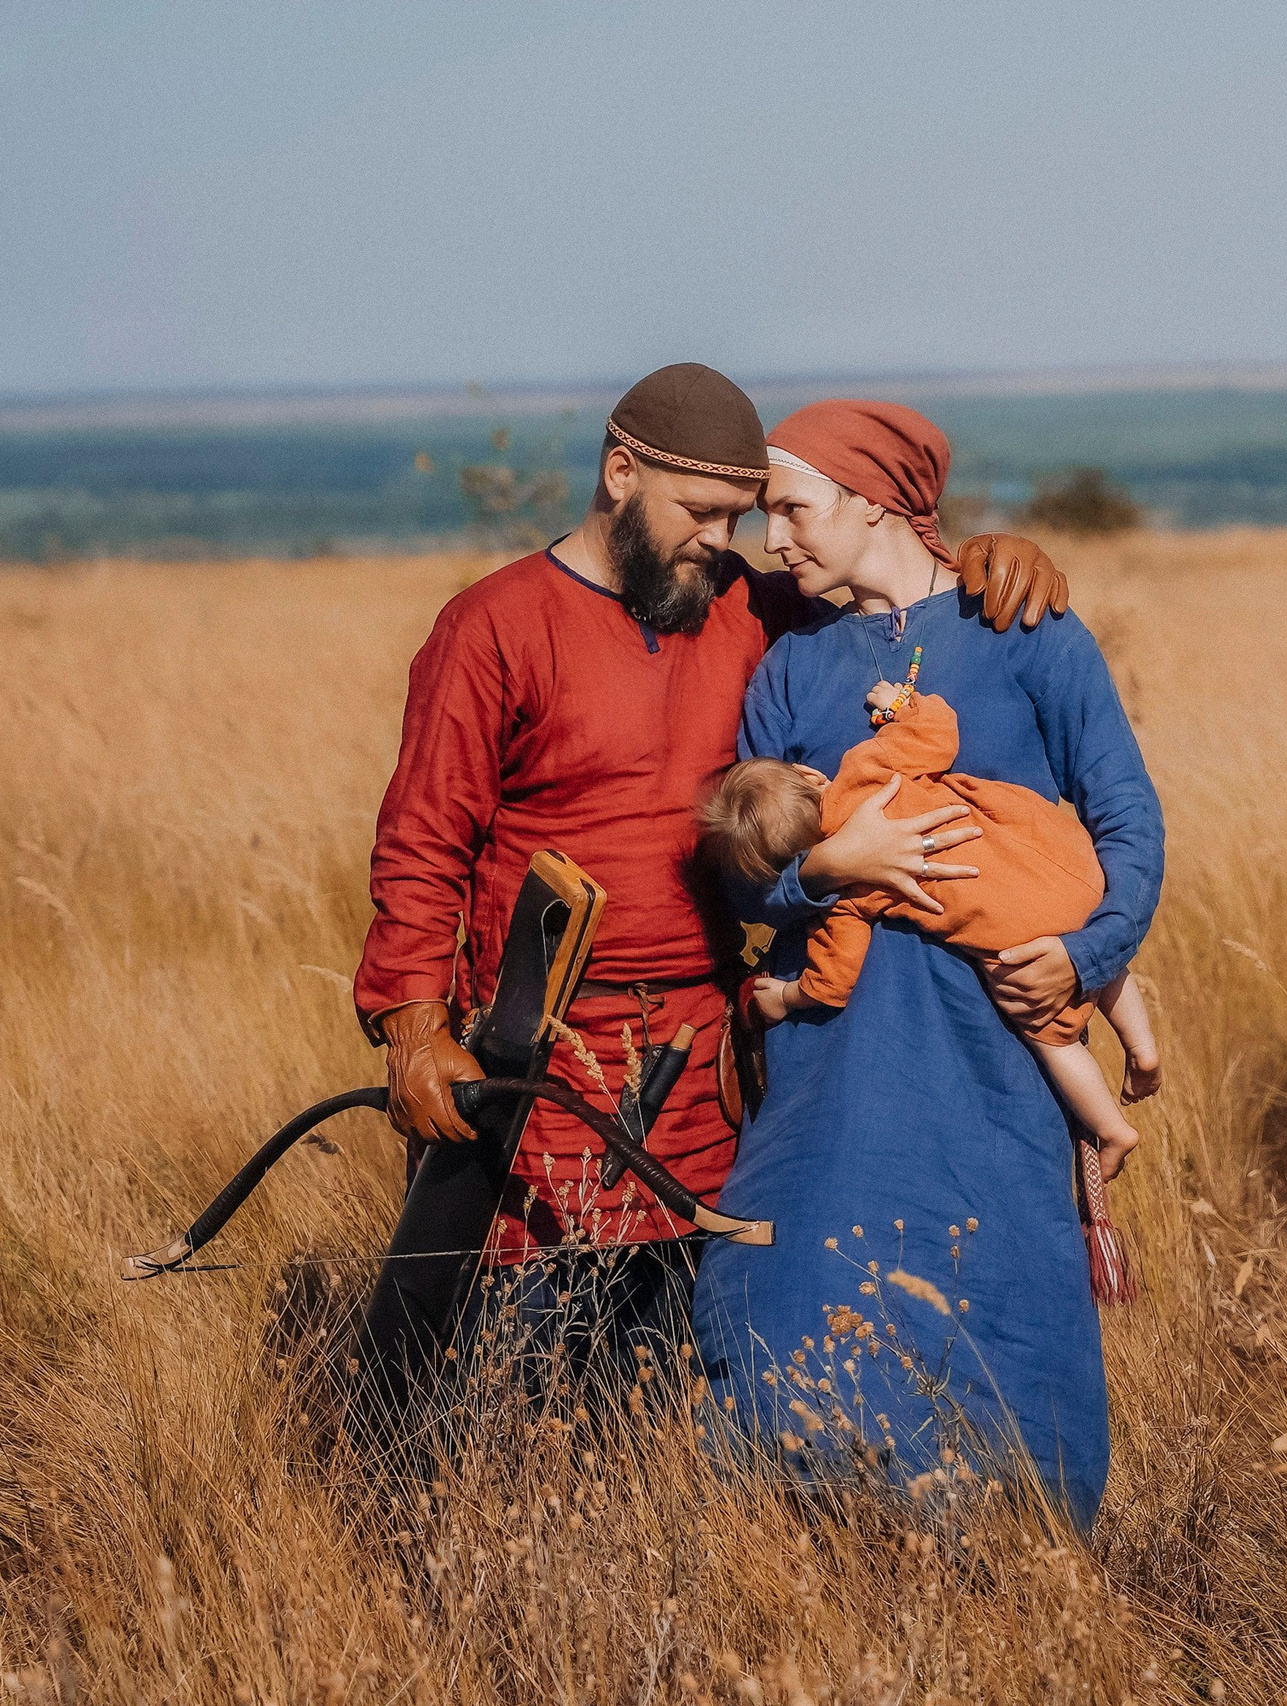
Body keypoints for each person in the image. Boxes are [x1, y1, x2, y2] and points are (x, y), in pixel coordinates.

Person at [352, 363, 1071, 1395]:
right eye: (699, 512)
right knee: (507, 1376)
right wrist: (414, 1023)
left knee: (667, 1377)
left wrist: (986, 560)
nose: (721, 541)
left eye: (740, 516)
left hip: (706, 1056)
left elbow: (887, 590)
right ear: (618, 473)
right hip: (535, 1062)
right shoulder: (491, 627)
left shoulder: (741, 606)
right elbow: (423, 841)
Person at [690, 399, 1164, 1530]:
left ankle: (1019, 1561)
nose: (775, 541)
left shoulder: (1031, 631)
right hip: (830, 1067)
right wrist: (825, 870)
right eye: (765, 516)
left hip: (996, 1061)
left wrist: (1082, 957)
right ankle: (801, 1567)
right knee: (792, 1301)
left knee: (996, 1304)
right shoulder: (791, 665)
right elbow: (740, 870)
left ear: (874, 498)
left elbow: (1128, 824)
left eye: (794, 509)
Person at [699, 688, 1160, 1180]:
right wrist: (901, 705)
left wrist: (788, 998)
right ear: (811, 777)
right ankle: (1143, 1046)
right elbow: (940, 729)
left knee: (1050, 1036)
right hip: (1059, 854)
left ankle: (1113, 1129)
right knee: (1100, 957)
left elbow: (832, 982)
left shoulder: (846, 898)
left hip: (1016, 929)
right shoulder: (868, 769)